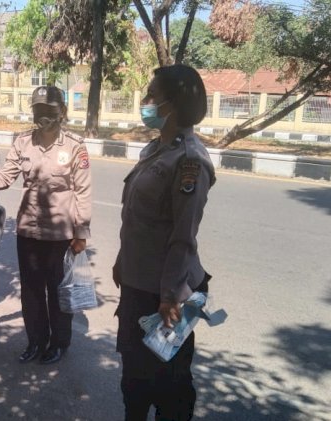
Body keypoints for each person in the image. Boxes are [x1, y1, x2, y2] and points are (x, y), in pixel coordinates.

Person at [0, 86, 92, 365]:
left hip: (60, 234)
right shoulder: (23, 142)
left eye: (48, 110)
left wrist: (81, 233)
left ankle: (59, 343)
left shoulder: (75, 146)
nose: (42, 115)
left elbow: (83, 192)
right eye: (37, 110)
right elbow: (3, 177)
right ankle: (36, 341)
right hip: (29, 231)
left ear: (61, 112)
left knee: (58, 291)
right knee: (32, 291)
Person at [112, 64, 216, 421]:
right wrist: (121, 263)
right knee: (134, 381)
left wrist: (171, 297)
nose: (146, 101)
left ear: (172, 104)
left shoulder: (189, 161)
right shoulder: (157, 149)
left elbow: (183, 237)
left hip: (163, 295)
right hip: (137, 285)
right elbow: (139, 222)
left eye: (152, 94)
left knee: (170, 387)